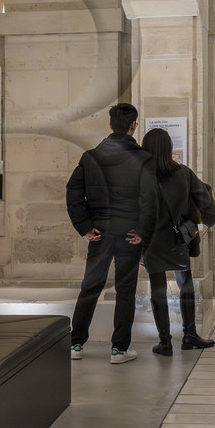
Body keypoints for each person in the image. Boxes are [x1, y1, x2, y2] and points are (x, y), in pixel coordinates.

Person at [65, 102, 157, 364]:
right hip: (129, 234)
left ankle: (76, 344)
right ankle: (118, 349)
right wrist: (142, 231)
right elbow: (150, 200)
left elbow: (73, 193)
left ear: (109, 125)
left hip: (100, 233)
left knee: (90, 287)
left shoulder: (90, 157)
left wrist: (84, 226)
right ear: (133, 126)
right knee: (125, 289)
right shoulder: (143, 159)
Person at [140, 127, 215, 356]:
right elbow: (205, 202)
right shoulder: (184, 173)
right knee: (185, 284)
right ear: (169, 149)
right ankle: (189, 335)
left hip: (151, 240)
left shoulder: (140, 177)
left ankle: (164, 342)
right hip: (178, 238)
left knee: (158, 289)